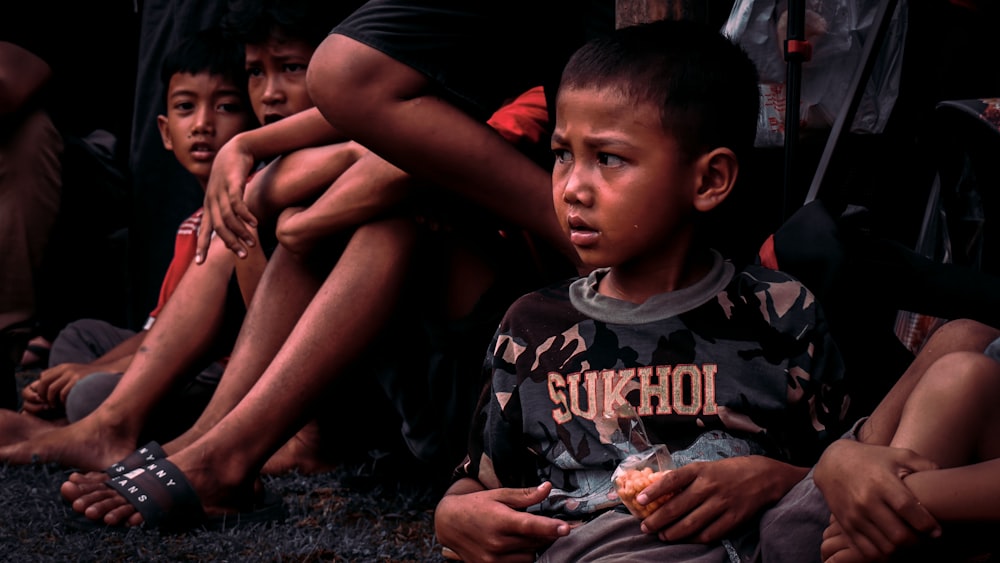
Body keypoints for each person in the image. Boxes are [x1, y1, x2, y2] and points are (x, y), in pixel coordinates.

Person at [431, 18, 851, 562]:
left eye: (608, 158)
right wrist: (452, 513)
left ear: (707, 180)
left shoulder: (781, 314)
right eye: (562, 154)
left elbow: (845, 479)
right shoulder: (531, 327)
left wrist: (776, 480)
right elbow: (481, 483)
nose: (572, 187)